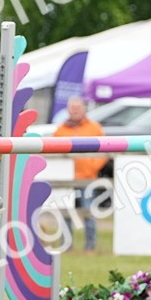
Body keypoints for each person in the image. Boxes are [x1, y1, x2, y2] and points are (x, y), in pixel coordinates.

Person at [52, 96, 107, 251]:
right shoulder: (60, 130)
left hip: (87, 178)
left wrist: (92, 167)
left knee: (88, 212)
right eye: (72, 107)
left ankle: (90, 246)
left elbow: (104, 152)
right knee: (65, 213)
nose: (75, 110)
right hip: (66, 179)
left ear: (84, 109)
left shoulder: (94, 128)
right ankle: (66, 245)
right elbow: (53, 152)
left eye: (78, 107)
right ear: (68, 110)